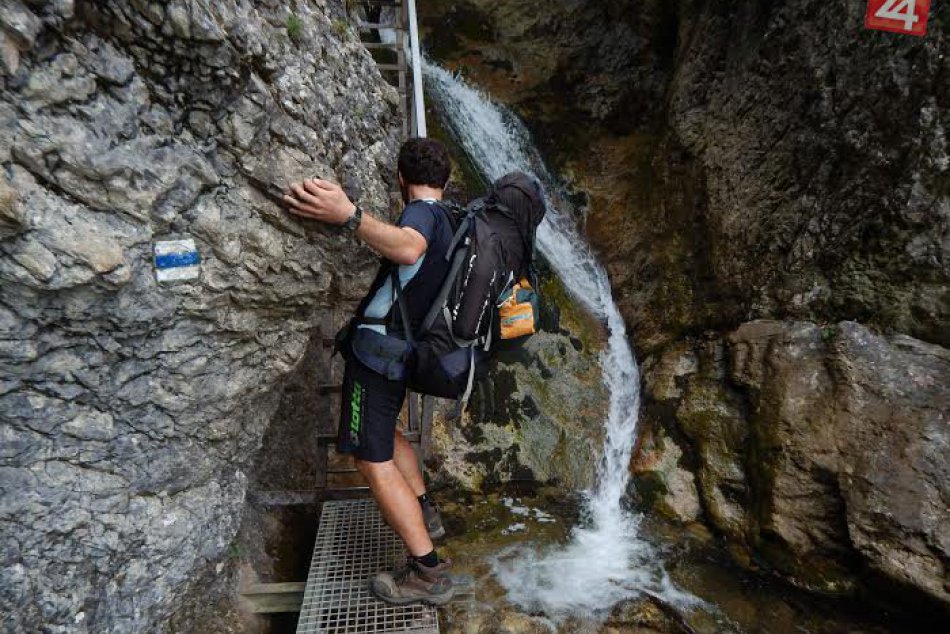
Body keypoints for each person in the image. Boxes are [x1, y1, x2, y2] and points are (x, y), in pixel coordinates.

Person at [284, 138, 456, 606]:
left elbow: (406, 248)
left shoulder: (421, 214)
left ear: (401, 178)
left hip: (379, 355)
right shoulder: (453, 220)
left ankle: (428, 571)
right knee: (387, 433)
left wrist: (349, 215)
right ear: (448, 178)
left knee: (370, 457)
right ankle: (424, 509)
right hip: (400, 353)